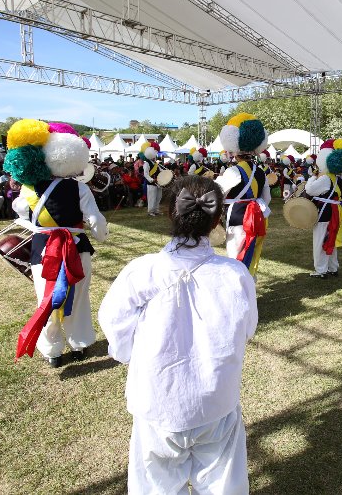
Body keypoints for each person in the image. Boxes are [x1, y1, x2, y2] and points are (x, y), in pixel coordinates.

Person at [98, 175, 257, 495]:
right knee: (222, 482)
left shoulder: (143, 270)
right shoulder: (235, 274)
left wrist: (134, 353)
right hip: (216, 398)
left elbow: (113, 323)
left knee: (156, 485)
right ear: (216, 222)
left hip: (158, 400)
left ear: (171, 212)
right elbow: (247, 327)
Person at [5, 119, 108, 368]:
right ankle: (79, 343)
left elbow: (19, 212)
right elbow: (96, 222)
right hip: (76, 248)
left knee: (47, 298)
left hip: (42, 250)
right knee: (79, 298)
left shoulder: (27, 190)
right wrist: (101, 234)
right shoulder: (79, 189)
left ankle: (52, 351)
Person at [215, 113, 271, 277]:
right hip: (257, 217)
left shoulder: (233, 170)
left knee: (236, 255)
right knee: (252, 252)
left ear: (234, 151)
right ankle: (249, 288)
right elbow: (266, 199)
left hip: (238, 217)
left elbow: (218, 193)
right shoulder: (261, 172)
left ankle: (240, 293)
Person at [305, 139, 342, 278]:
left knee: (320, 240)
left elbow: (309, 190)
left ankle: (321, 270)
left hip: (324, 212)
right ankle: (333, 267)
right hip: (336, 213)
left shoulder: (325, 178)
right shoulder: (340, 180)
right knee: (332, 238)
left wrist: (313, 177)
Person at [141, 141, 163, 216]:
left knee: (158, 197)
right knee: (152, 198)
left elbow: (161, 170)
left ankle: (156, 210)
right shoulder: (146, 163)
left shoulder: (155, 163)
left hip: (158, 182)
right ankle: (150, 211)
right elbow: (146, 174)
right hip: (151, 183)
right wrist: (152, 180)